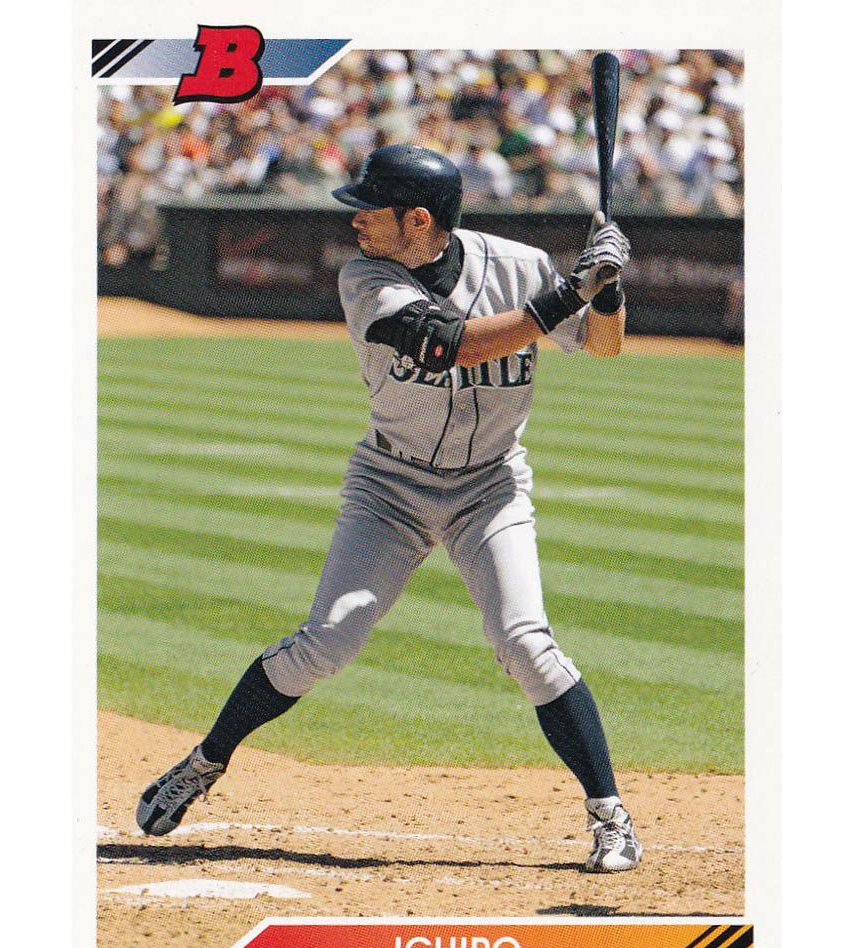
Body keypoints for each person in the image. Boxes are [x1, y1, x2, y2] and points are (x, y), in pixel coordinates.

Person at [136, 144, 642, 874]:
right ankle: (204, 762)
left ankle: (611, 816)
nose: (356, 221)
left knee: (525, 642)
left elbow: (605, 346)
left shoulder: (520, 265)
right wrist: (571, 291)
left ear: (418, 219)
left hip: (489, 487)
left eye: (371, 210)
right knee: (327, 641)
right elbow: (448, 347)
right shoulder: (366, 276)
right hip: (390, 486)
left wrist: (609, 290)